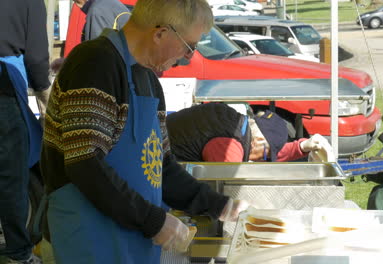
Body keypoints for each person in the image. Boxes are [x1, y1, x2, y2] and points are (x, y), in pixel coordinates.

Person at [40, 0, 247, 263]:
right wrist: (152, 221)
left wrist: (219, 206)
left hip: (133, 241)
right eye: (189, 46)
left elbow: (161, 166)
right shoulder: (96, 63)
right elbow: (84, 161)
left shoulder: (148, 80)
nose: (188, 57)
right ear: (160, 33)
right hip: (88, 239)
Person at [0, 0, 50, 263]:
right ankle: (19, 254)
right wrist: (46, 99)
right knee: (10, 175)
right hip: (4, 87)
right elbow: (36, 57)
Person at [166, 103, 334, 162]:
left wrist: (302, 146)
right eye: (266, 155)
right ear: (258, 139)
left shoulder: (236, 122)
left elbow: (269, 150)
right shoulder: (230, 147)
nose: (265, 160)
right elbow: (226, 191)